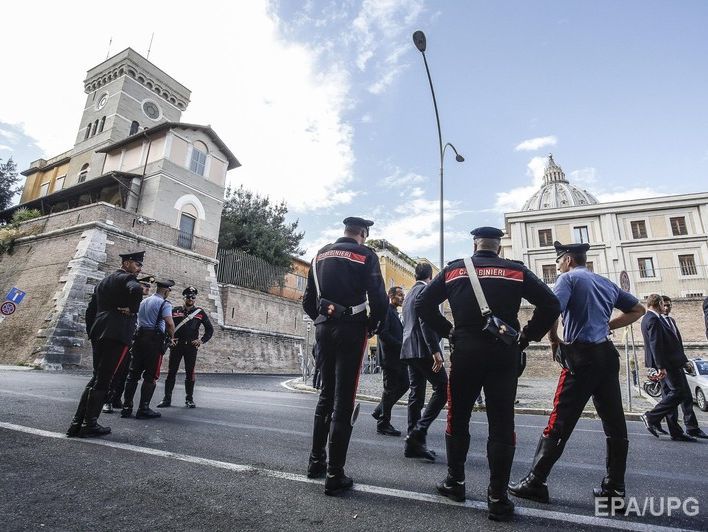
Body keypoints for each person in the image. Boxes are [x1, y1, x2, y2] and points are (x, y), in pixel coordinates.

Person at [416, 227, 560, 521]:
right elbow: (551, 304)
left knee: (458, 416)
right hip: (504, 352)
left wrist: (449, 331)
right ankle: (498, 498)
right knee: (502, 421)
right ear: (499, 247)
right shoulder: (516, 271)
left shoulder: (454, 270)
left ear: (474, 244)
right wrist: (527, 336)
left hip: (466, 351)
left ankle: (455, 483)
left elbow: (422, 304)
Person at [509, 241, 645, 512]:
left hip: (580, 358)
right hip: (607, 357)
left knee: (560, 420)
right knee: (615, 423)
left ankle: (536, 481)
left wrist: (553, 340)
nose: (558, 265)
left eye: (558, 261)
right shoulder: (605, 283)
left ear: (568, 259)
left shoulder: (567, 279)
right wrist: (608, 324)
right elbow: (638, 310)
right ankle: (614, 490)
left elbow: (551, 310)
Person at [302, 216, 388, 496]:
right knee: (344, 400)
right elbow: (379, 298)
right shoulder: (365, 255)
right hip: (352, 329)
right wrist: (373, 324)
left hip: (324, 330)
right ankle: (334, 474)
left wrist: (323, 320)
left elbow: (307, 301)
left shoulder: (320, 255)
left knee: (325, 394)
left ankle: (316, 462)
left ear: (345, 231)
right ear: (363, 233)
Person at [66, 251, 145, 437]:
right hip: (117, 334)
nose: (139, 269)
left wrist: (92, 331)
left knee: (96, 378)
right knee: (104, 380)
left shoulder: (103, 282)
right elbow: (137, 289)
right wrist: (133, 309)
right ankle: (89, 424)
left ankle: (77, 422)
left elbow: (90, 310)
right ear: (126, 263)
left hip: (99, 332)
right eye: (137, 265)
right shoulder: (127, 278)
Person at [400, 262, 447, 462]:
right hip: (423, 348)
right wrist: (435, 350)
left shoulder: (409, 293)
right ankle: (418, 433)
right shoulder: (425, 291)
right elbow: (424, 321)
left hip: (409, 348)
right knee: (443, 388)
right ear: (430, 276)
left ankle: (413, 443)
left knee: (416, 394)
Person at [639, 295, 698, 442]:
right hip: (668, 363)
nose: (664, 307)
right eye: (662, 304)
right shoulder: (653, 319)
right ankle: (651, 416)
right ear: (658, 303)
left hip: (669, 362)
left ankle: (673, 430)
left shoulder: (650, 318)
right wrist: (661, 366)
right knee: (678, 392)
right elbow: (655, 344)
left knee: (674, 393)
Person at [121, 279, 176, 419]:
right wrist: (172, 337)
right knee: (151, 376)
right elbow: (169, 323)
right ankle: (143, 408)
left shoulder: (143, 302)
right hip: (154, 341)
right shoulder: (164, 303)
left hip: (139, 339)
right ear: (166, 290)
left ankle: (126, 407)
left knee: (132, 375)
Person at [103, 276, 154, 413]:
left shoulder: (143, 303)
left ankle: (116, 398)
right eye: (144, 286)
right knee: (116, 371)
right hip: (124, 340)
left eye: (149, 287)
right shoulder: (129, 301)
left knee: (125, 373)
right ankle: (107, 400)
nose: (147, 288)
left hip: (134, 343)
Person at [157, 286, 214, 408]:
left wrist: (201, 341)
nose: (190, 299)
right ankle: (167, 399)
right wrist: (169, 339)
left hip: (191, 348)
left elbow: (210, 329)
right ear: (184, 297)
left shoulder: (200, 312)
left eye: (193, 297)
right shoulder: (175, 310)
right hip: (176, 346)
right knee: (171, 372)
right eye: (188, 296)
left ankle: (189, 399)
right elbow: (167, 326)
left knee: (190, 373)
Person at [660, 296, 707, 439]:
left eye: (669, 305)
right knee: (671, 398)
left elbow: (677, 345)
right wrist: (659, 366)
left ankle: (691, 427)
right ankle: (674, 429)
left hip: (678, 364)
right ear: (660, 306)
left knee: (685, 396)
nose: (667, 308)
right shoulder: (657, 321)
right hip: (666, 366)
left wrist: (685, 362)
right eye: (665, 305)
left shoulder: (671, 321)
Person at [371, 286, 408, 437]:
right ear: (390, 295)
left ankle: (380, 410)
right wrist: (401, 345)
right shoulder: (386, 310)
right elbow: (383, 334)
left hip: (398, 359)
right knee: (390, 390)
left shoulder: (394, 311)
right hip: (390, 358)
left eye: (403, 295)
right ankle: (383, 424)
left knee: (405, 385)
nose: (402, 298)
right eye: (399, 295)